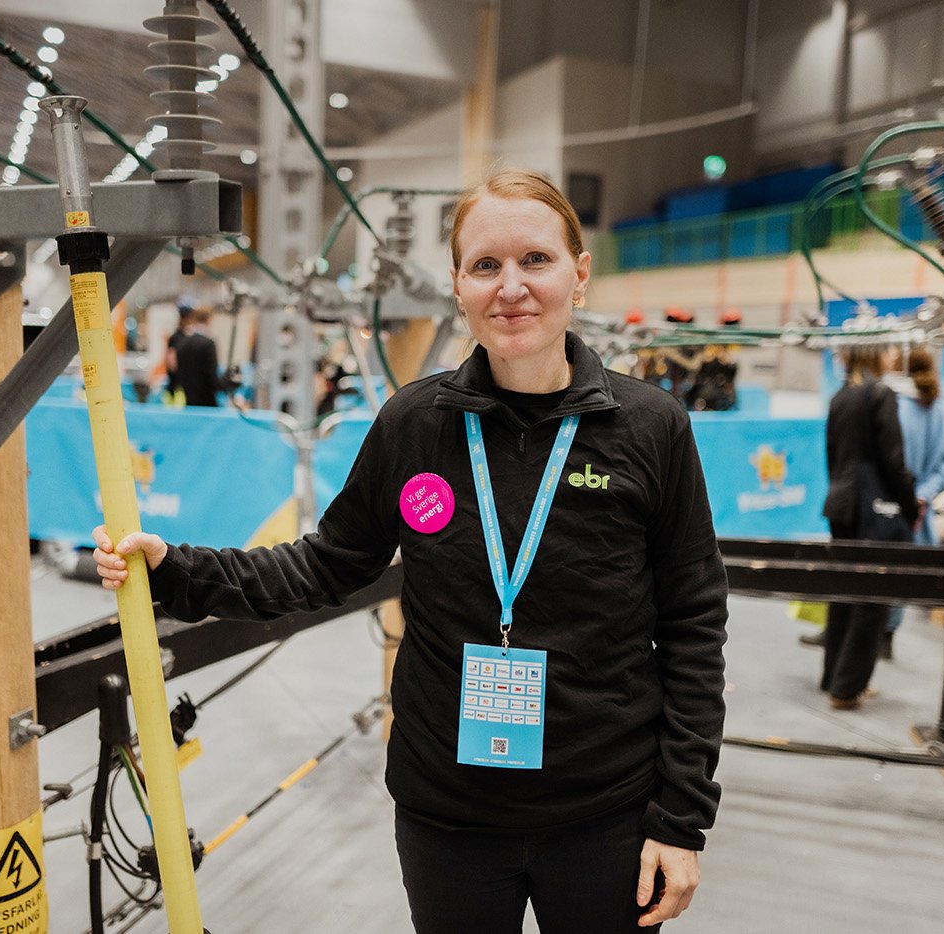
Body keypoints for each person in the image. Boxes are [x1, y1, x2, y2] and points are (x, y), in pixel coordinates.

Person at [92, 170, 728, 932]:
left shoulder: (651, 428)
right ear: (458, 286)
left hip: (605, 813)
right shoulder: (415, 424)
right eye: (485, 266)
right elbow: (329, 562)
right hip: (448, 815)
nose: (511, 287)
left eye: (536, 260)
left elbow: (693, 625)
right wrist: (178, 569)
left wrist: (679, 819)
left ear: (579, 274)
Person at [819, 344, 919, 709]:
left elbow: (831, 455)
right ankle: (846, 689)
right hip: (872, 509)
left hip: (841, 504)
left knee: (844, 592)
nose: (895, 353)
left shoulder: (840, 396)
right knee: (872, 599)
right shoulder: (881, 394)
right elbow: (894, 461)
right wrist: (909, 506)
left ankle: (833, 677)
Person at [881, 346, 944, 658]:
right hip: (920, 508)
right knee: (903, 573)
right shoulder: (943, 411)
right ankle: (888, 634)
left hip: (889, 505)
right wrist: (924, 493)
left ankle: (875, 636)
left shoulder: (892, 407)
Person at [169, 304, 220, 407]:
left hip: (186, 402)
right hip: (206, 404)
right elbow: (212, 379)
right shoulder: (208, 344)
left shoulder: (180, 343)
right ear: (209, 320)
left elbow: (172, 368)